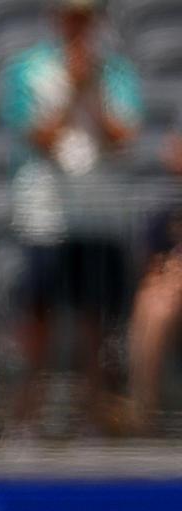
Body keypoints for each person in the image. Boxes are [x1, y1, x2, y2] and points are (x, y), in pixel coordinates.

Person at [0, 0, 143, 441]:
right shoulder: (26, 70)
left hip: (99, 213)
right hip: (46, 213)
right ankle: (24, 421)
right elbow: (37, 135)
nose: (78, 24)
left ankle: (91, 421)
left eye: (86, 16)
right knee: (37, 319)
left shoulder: (116, 73)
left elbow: (122, 138)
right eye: (70, 15)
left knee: (94, 322)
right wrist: (72, 89)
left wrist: (92, 89)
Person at [126, 111, 182, 434]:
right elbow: (149, 266)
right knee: (153, 304)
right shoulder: (165, 210)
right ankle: (144, 410)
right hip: (170, 299)